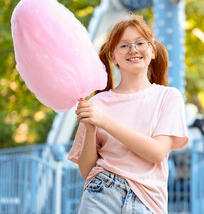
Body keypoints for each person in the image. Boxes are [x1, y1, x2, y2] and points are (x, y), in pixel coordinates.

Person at [67, 15, 188, 214]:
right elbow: (87, 171)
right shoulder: (97, 103)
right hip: (100, 193)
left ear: (153, 51)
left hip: (147, 201)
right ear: (113, 57)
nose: (133, 49)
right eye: (123, 46)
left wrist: (104, 121)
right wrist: (91, 129)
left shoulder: (168, 97)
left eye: (140, 43)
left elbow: (157, 152)